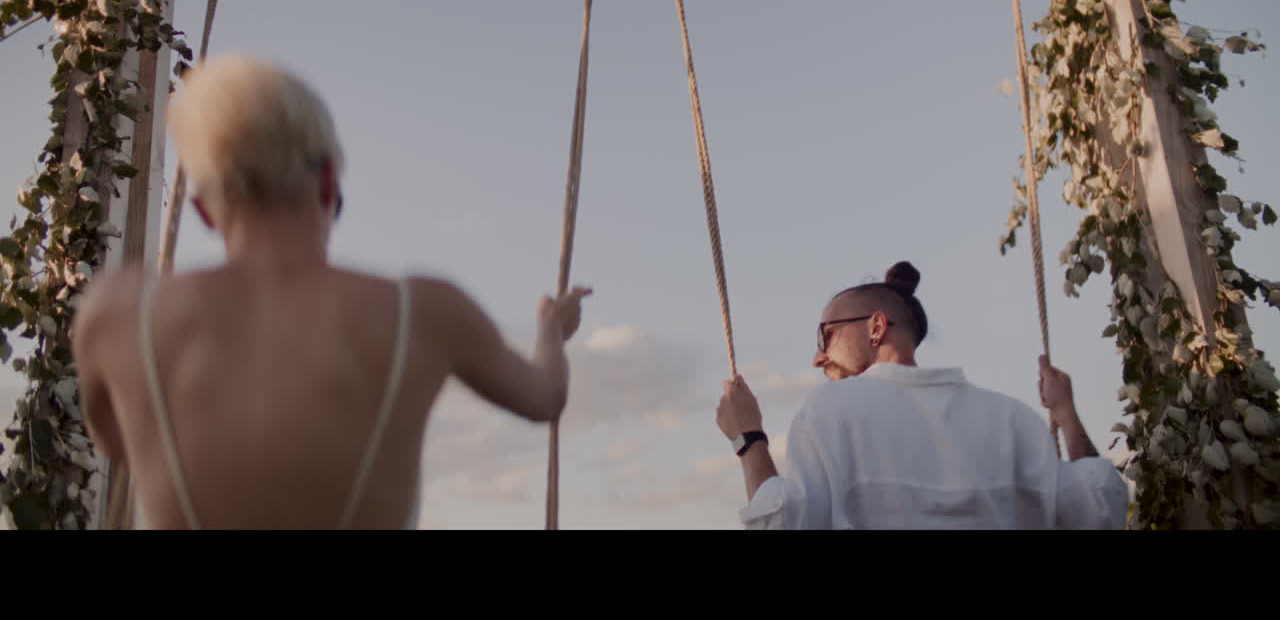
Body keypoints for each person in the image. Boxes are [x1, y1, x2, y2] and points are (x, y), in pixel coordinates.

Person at [71, 54, 591, 529]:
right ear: (326, 184)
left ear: (206, 209)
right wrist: (551, 327)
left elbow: (124, 445)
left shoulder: (116, 315)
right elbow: (545, 397)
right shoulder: (422, 312)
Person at [715, 261, 1128, 529]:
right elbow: (1100, 507)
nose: (817, 356)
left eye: (826, 335)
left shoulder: (831, 412)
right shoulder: (1013, 419)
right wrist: (1067, 413)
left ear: (876, 328)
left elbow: (780, 524)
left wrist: (748, 439)